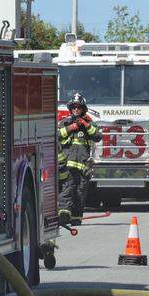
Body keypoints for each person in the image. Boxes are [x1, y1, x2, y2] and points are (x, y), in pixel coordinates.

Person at [58, 93, 101, 227]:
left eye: (79, 107)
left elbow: (98, 136)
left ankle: (76, 218)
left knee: (80, 192)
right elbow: (56, 135)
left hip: (83, 166)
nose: (76, 109)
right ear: (71, 108)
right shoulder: (64, 123)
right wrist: (70, 128)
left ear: (83, 109)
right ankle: (64, 215)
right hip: (67, 165)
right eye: (74, 107)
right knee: (66, 189)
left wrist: (86, 125)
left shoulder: (89, 124)